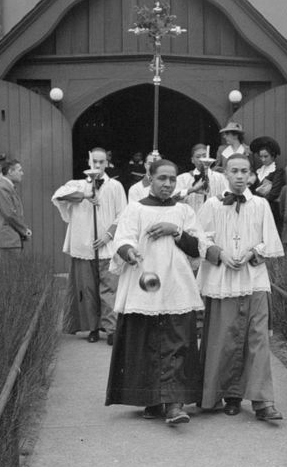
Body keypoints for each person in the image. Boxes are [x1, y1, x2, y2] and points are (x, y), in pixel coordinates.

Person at [105, 160, 205, 425]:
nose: (168, 184)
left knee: (178, 342)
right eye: (162, 178)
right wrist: (129, 251)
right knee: (146, 341)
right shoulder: (134, 209)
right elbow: (122, 239)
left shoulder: (184, 210)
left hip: (176, 284)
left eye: (172, 179)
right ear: (149, 178)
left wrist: (176, 231)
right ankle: (150, 398)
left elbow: (197, 248)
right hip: (144, 281)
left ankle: (174, 405)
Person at [196, 152, 285, 421]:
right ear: (225, 174)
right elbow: (198, 236)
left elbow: (269, 239)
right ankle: (227, 395)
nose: (239, 176)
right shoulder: (212, 205)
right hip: (222, 279)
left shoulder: (260, 204)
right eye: (234, 171)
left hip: (254, 278)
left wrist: (251, 253)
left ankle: (262, 401)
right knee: (224, 338)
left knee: (257, 339)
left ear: (251, 175)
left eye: (244, 171)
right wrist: (219, 253)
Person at [52, 147, 128, 344]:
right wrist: (85, 195)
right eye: (94, 161)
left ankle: (111, 329)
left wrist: (108, 235)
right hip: (85, 247)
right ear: (89, 162)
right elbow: (58, 196)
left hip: (107, 247)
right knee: (88, 290)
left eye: (101, 162)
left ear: (107, 163)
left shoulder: (115, 186)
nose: (97, 165)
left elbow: (123, 215)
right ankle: (92, 327)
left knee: (109, 288)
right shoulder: (77, 185)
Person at [0, 159, 33, 279]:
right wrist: (24, 230)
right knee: (9, 278)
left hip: (10, 240)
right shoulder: (2, 189)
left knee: (13, 277)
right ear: (10, 171)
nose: (22, 173)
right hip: (7, 240)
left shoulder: (8, 188)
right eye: (19, 170)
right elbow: (9, 214)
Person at [174, 143, 228, 213]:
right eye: (198, 157)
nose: (202, 159)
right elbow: (172, 197)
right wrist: (191, 190)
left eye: (205, 156)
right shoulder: (183, 178)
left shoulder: (220, 178)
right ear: (192, 160)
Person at [248, 136, 286, 232]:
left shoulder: (278, 171)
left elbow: (274, 193)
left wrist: (259, 202)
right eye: (261, 157)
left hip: (270, 207)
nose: (263, 159)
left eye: (266, 156)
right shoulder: (258, 171)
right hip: (255, 208)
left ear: (273, 155)